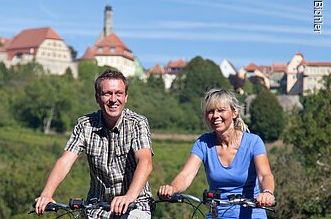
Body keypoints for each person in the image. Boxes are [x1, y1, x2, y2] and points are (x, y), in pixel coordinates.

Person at [35, 69, 154, 219]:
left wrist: (129, 196)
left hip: (135, 205)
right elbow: (65, 161)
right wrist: (46, 194)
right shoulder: (85, 124)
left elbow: (145, 161)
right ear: (97, 98)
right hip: (96, 208)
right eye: (107, 94)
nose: (113, 99)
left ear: (126, 97)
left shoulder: (137, 123)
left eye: (118, 93)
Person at [158, 89, 275, 219]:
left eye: (221, 110)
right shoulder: (203, 143)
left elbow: (265, 175)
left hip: (252, 213)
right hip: (217, 214)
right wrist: (172, 189)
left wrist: (267, 193)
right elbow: (185, 175)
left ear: (234, 112)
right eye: (210, 111)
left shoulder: (253, 142)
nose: (215, 116)